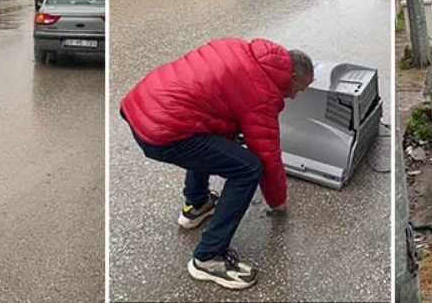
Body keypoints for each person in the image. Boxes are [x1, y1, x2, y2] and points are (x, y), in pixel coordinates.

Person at [120, 38, 314, 290]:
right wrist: (278, 202)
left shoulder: (240, 48)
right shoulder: (262, 93)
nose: (296, 96)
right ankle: (208, 258)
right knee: (249, 168)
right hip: (162, 129)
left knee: (212, 143)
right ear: (293, 74)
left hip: (142, 103)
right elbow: (267, 154)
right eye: (300, 88)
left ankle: (196, 204)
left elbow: (210, 104)